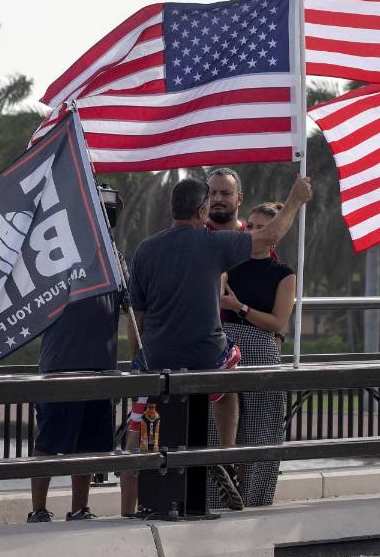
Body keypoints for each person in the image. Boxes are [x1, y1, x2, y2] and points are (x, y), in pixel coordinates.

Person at [120, 175, 311, 514]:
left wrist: (138, 359)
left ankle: (128, 510)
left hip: (157, 358)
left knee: (137, 437)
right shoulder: (213, 243)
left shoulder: (146, 249)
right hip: (205, 354)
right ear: (202, 209)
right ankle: (224, 452)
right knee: (228, 374)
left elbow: (137, 315)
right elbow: (269, 236)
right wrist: (295, 198)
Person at [210, 202, 296, 508]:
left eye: (262, 227)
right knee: (218, 428)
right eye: (251, 226)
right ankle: (219, 496)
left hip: (261, 348)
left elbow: (277, 322)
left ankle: (254, 498)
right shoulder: (228, 264)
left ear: (275, 234)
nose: (254, 232)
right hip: (225, 347)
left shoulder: (283, 274)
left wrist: (240, 308)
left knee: (261, 430)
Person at [27, 291, 122, 523]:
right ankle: (38, 509)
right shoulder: (60, 259)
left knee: (88, 446)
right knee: (48, 443)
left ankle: (80, 508)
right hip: (61, 366)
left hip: (101, 368)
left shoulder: (114, 263)